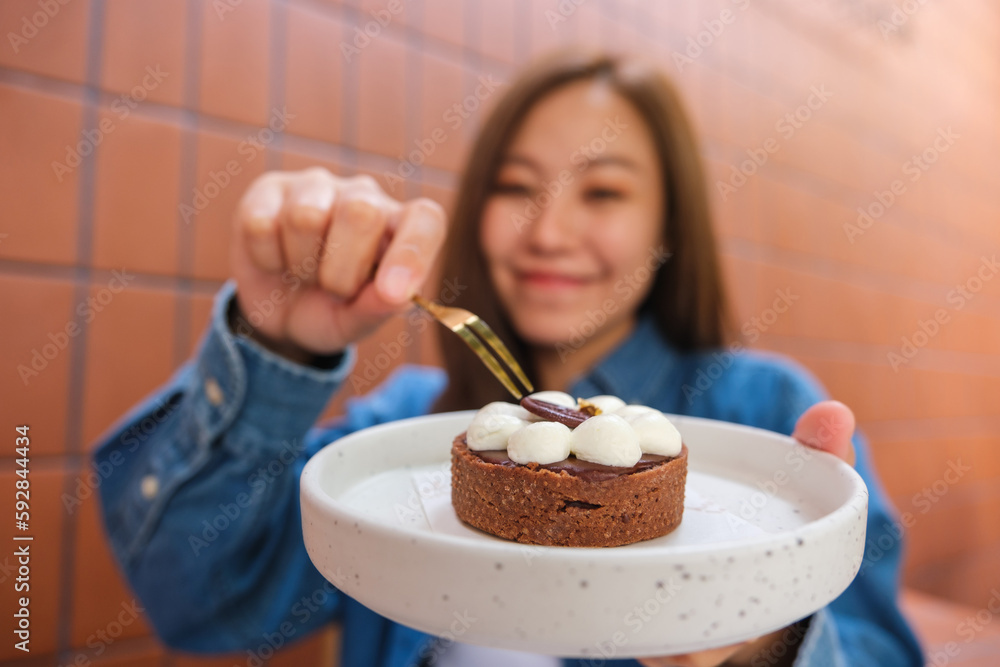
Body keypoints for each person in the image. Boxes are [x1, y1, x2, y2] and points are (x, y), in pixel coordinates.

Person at [94, 49, 923, 667]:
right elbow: (200, 602)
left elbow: (885, 650)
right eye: (516, 185)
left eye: (603, 191)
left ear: (667, 228)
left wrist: (763, 642)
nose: (548, 231)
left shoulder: (763, 417)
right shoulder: (409, 433)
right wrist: (278, 341)